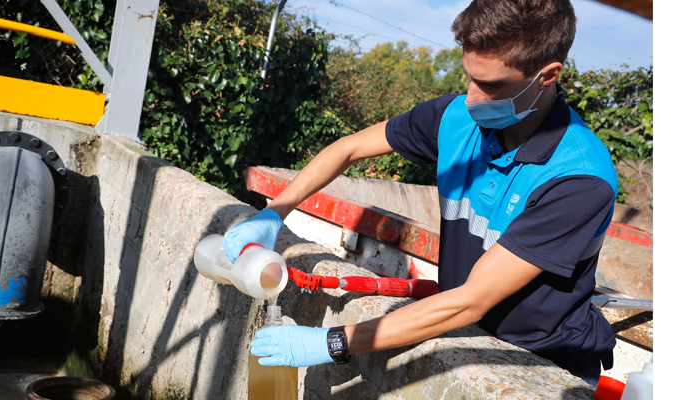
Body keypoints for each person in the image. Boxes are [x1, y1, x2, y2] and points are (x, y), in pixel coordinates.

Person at [224, 0, 617, 386]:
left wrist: (335, 341)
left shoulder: (580, 179)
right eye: (469, 76)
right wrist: (274, 214)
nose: (472, 97)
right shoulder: (457, 119)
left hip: (538, 366)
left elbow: (471, 300)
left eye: (492, 84)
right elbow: (349, 148)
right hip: (462, 335)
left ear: (547, 75)